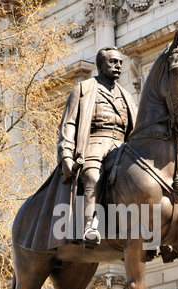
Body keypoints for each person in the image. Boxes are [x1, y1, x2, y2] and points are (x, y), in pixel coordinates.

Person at [57, 47, 137, 245]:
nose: (118, 66)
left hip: (122, 146)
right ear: (100, 65)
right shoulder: (84, 89)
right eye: (113, 62)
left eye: (120, 62)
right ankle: (90, 226)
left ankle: (155, 229)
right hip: (94, 143)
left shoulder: (127, 96)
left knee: (144, 177)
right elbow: (69, 123)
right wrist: (66, 154)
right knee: (93, 175)